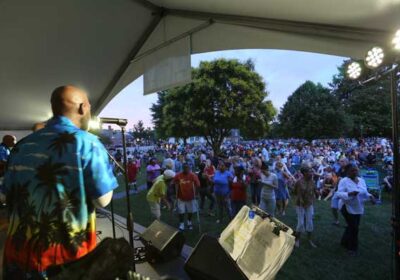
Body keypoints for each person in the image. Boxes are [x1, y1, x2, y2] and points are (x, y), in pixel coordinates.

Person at [2, 86, 118, 278]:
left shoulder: (22, 145)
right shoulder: (88, 143)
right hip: (65, 262)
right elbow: (103, 200)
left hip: (18, 257)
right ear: (83, 108)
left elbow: (6, 194)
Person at [336, 164, 375, 256]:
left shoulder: (362, 181)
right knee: (354, 228)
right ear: (347, 171)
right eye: (352, 170)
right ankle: (352, 248)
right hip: (346, 207)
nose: (355, 172)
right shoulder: (344, 181)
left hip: (358, 207)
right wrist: (349, 194)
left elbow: (364, 192)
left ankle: (343, 241)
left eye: (356, 170)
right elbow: (338, 193)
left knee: (352, 226)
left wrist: (371, 196)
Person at [293, 166, 318, 248]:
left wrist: (318, 192)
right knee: (300, 223)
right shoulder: (299, 182)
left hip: (309, 204)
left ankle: (309, 240)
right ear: (304, 173)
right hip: (300, 205)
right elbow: (295, 192)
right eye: (309, 172)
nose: (311, 173)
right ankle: (297, 239)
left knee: (310, 222)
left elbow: (315, 190)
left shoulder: (312, 181)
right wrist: (300, 199)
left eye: (311, 171)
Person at [174, 163, 200, 231]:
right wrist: (175, 194)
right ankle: (181, 223)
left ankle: (189, 221)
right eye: (185, 168)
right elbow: (174, 183)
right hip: (181, 196)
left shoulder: (193, 175)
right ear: (183, 168)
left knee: (190, 211)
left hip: (191, 197)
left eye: (187, 168)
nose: (186, 169)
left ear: (189, 168)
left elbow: (198, 185)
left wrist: (196, 194)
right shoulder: (178, 175)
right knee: (181, 211)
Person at [0, 135, 16, 206]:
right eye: (13, 140)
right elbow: (1, 161)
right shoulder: (2, 149)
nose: (15, 142)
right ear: (7, 141)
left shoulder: (6, 149)